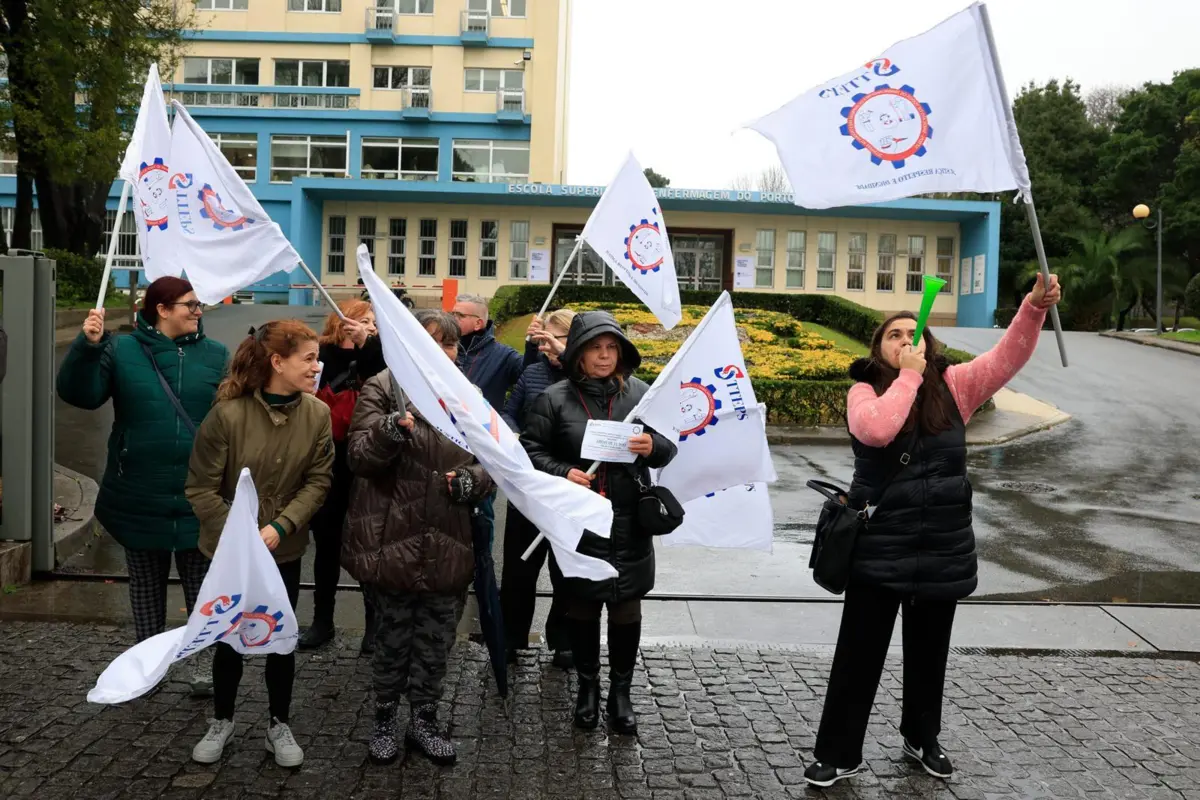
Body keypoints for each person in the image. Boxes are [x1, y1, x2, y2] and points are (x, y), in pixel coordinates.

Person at [803, 273, 1062, 789]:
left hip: (941, 545)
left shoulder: (958, 386)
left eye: (911, 334)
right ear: (879, 348)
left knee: (930, 654)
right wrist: (909, 377)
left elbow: (1007, 357)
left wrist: (1032, 307)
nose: (904, 340)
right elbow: (878, 429)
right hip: (878, 545)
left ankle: (922, 738)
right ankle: (838, 752)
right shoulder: (863, 389)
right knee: (859, 654)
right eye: (893, 335)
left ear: (927, 342)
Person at [56, 277, 228, 696]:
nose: (198, 311)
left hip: (198, 493)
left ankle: (202, 662)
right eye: (189, 304)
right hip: (137, 489)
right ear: (162, 309)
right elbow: (81, 394)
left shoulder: (217, 354)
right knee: (147, 585)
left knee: (203, 586)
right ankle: (146, 664)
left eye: (199, 304)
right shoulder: (122, 349)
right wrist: (87, 346)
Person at [341, 310, 493, 766]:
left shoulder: (467, 395)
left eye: (448, 344)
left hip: (449, 537)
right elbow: (359, 456)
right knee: (392, 638)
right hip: (392, 537)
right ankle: (384, 719)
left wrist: (473, 481)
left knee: (435, 640)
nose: (441, 352)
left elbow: (495, 460)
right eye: (429, 342)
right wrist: (390, 431)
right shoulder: (383, 387)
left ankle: (424, 719)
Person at [185, 320, 334, 768]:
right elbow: (200, 488)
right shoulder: (227, 416)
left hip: (282, 550)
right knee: (228, 637)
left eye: (316, 358)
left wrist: (283, 526)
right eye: (308, 358)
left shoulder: (317, 413)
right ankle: (223, 719)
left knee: (281, 637)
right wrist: (241, 533)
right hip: (229, 554)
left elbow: (318, 479)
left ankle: (278, 724)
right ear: (277, 362)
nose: (317, 366)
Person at [520, 311, 677, 735]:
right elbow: (530, 450)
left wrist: (652, 446)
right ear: (578, 355)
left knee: (627, 608)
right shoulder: (553, 399)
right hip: (580, 524)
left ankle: (620, 692)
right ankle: (588, 688)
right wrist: (563, 471)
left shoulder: (641, 396)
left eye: (611, 349)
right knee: (583, 606)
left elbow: (668, 447)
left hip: (630, 524)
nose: (604, 356)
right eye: (595, 348)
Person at [299, 299, 385, 653]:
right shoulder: (322, 354)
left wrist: (369, 343)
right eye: (363, 320)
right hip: (327, 459)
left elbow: (385, 378)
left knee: (368, 543)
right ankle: (323, 620)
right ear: (342, 320)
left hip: (365, 461)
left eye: (373, 322)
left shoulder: (379, 354)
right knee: (327, 545)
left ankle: (373, 625)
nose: (370, 325)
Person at [499, 309, 576, 668]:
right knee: (519, 568)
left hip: (571, 486)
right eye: (543, 340)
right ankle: (511, 637)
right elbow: (508, 411)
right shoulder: (533, 373)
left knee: (566, 570)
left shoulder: (583, 375)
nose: (546, 347)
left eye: (554, 340)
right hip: (529, 484)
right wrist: (512, 431)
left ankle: (563, 641)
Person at [451, 292, 534, 567]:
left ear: (478, 323)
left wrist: (532, 346)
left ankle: (483, 583)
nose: (452, 318)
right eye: (451, 312)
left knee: (480, 522)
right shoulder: (441, 350)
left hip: (481, 455)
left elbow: (530, 376)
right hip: (442, 447)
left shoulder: (501, 356)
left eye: (459, 315)